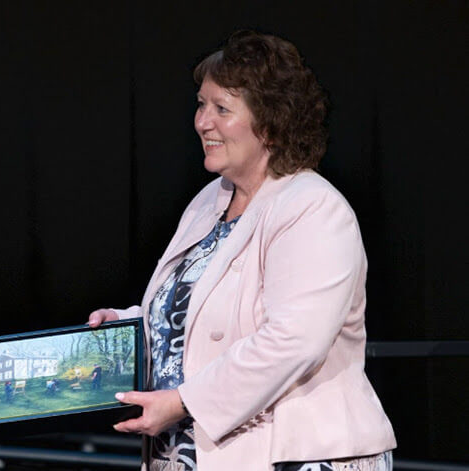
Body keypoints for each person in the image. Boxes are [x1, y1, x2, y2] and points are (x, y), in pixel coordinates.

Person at [87, 31, 395, 470]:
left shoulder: (312, 207)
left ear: (270, 123)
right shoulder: (209, 201)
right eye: (200, 104)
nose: (201, 122)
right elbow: (200, 312)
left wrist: (180, 402)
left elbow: (293, 341)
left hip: (297, 456)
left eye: (221, 109)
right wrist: (129, 327)